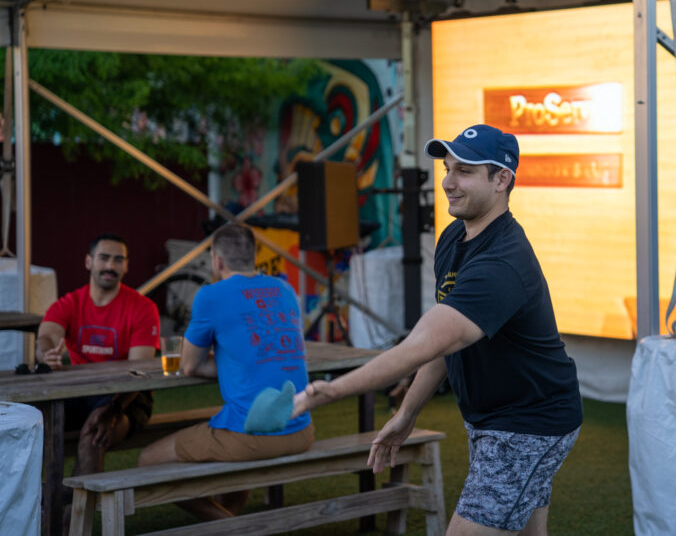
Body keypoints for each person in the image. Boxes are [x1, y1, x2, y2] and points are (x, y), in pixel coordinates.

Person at [293, 124, 583, 535]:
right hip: (495, 416)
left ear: (502, 179)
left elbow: (423, 343)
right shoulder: (453, 238)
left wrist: (330, 390)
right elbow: (446, 343)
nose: (448, 182)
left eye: (465, 171)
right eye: (447, 169)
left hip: (528, 423)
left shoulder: (502, 264)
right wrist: (407, 412)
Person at [137, 223, 314, 521]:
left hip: (252, 436)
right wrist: (244, 365)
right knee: (230, 429)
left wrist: (236, 365)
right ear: (254, 257)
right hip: (301, 430)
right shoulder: (285, 289)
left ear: (217, 261)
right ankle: (229, 518)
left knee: (147, 460)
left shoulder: (211, 296)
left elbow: (191, 365)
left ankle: (227, 524)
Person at [36, 233, 160, 476]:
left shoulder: (143, 308)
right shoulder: (70, 302)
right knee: (35, 425)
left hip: (128, 396)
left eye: (118, 260)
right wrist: (46, 354)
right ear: (88, 262)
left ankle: (77, 503)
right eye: (103, 258)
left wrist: (114, 408)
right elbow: (46, 337)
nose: (110, 266)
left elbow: (140, 372)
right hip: (78, 390)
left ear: (126, 265)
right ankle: (48, 498)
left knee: (95, 433)